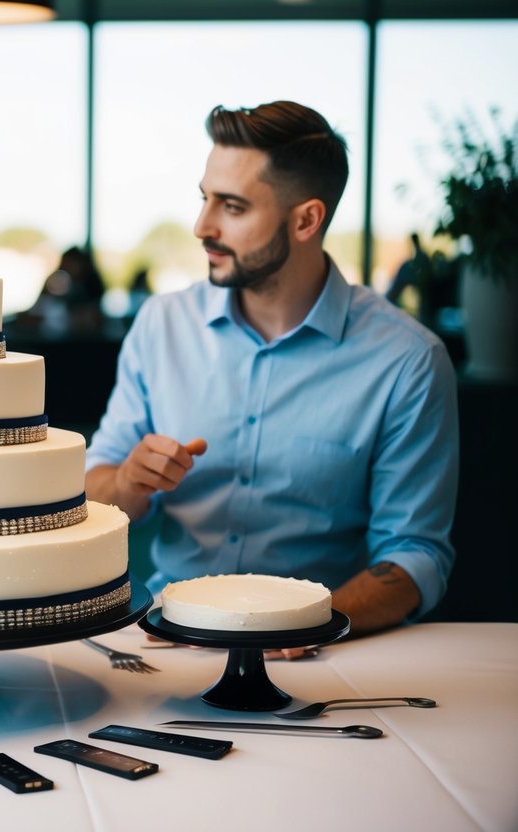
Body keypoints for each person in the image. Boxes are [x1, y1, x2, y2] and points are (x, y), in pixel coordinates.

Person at [85, 101, 458, 641]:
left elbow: (414, 557)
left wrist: (299, 630)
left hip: (323, 653)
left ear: (306, 219)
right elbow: (94, 496)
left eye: (232, 207)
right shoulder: (161, 326)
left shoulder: (408, 361)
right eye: (204, 198)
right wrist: (127, 480)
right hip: (163, 640)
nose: (201, 226)